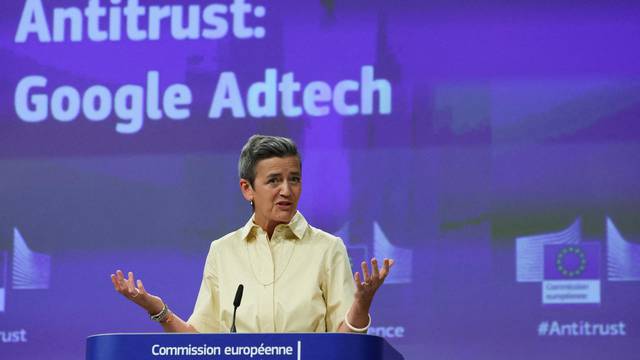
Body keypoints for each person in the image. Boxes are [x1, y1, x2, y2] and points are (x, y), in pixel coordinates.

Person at [111, 135, 394, 333]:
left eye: (294, 179)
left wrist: (362, 302)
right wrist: (157, 309)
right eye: (274, 180)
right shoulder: (223, 251)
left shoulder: (327, 248)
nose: (287, 190)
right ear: (247, 188)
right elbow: (199, 344)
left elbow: (345, 345)